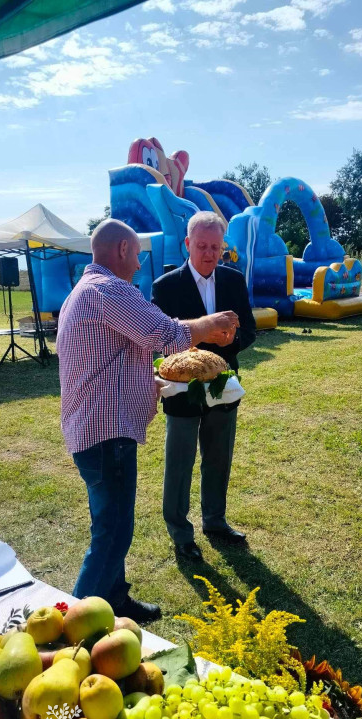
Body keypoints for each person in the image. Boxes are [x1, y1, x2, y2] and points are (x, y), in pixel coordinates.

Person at [56, 218, 239, 623]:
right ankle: (68, 627)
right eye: (137, 255)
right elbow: (163, 335)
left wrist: (145, 382)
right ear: (122, 250)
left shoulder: (85, 291)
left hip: (96, 428)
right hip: (107, 433)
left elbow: (113, 356)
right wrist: (211, 324)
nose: (139, 264)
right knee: (112, 533)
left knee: (110, 525)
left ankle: (116, 600)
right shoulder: (109, 290)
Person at [151, 211, 257, 562]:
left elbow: (250, 330)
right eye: (201, 246)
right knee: (179, 462)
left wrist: (231, 340)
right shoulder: (165, 287)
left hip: (224, 385)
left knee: (218, 458)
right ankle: (181, 533)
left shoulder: (233, 280)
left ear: (222, 246)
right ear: (187, 244)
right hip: (182, 388)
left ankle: (215, 521)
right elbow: (160, 341)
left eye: (215, 246)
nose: (209, 253)